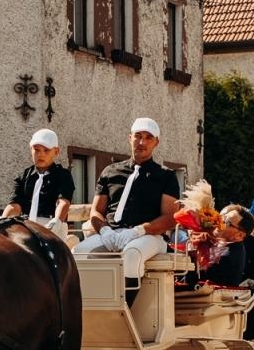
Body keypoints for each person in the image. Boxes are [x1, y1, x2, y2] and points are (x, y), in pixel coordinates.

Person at [74, 118, 180, 284]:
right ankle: (89, 307)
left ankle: (125, 309)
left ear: (156, 142)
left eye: (148, 137)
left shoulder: (166, 176)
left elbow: (169, 218)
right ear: (129, 138)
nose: (142, 142)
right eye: (137, 136)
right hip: (111, 234)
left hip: (150, 236)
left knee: (132, 254)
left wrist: (138, 231)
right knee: (79, 251)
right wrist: (104, 231)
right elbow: (96, 211)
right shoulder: (110, 171)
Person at [2, 128, 75, 230]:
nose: (41, 154)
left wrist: (56, 222)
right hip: (25, 225)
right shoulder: (23, 176)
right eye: (36, 150)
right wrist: (1, 222)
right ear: (31, 149)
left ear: (56, 151)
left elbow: (62, 202)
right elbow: (15, 205)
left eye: (46, 150)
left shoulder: (63, 175)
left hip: (52, 224)